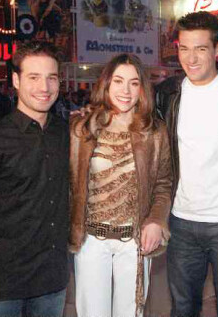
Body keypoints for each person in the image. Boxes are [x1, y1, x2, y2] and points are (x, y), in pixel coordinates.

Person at [0, 41, 69, 317]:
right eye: (33, 77)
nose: (44, 87)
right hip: (1, 283)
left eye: (51, 78)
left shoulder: (67, 134)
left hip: (51, 280)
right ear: (16, 80)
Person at [155, 11, 218, 317]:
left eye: (200, 49)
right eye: (184, 48)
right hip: (181, 222)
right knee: (183, 308)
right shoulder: (167, 94)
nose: (191, 58)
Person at [70, 54, 172, 317]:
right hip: (91, 241)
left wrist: (156, 220)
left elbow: (163, 184)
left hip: (134, 243)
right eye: (118, 81)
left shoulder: (155, 132)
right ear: (106, 84)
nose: (125, 91)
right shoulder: (82, 129)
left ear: (142, 89)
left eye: (134, 83)